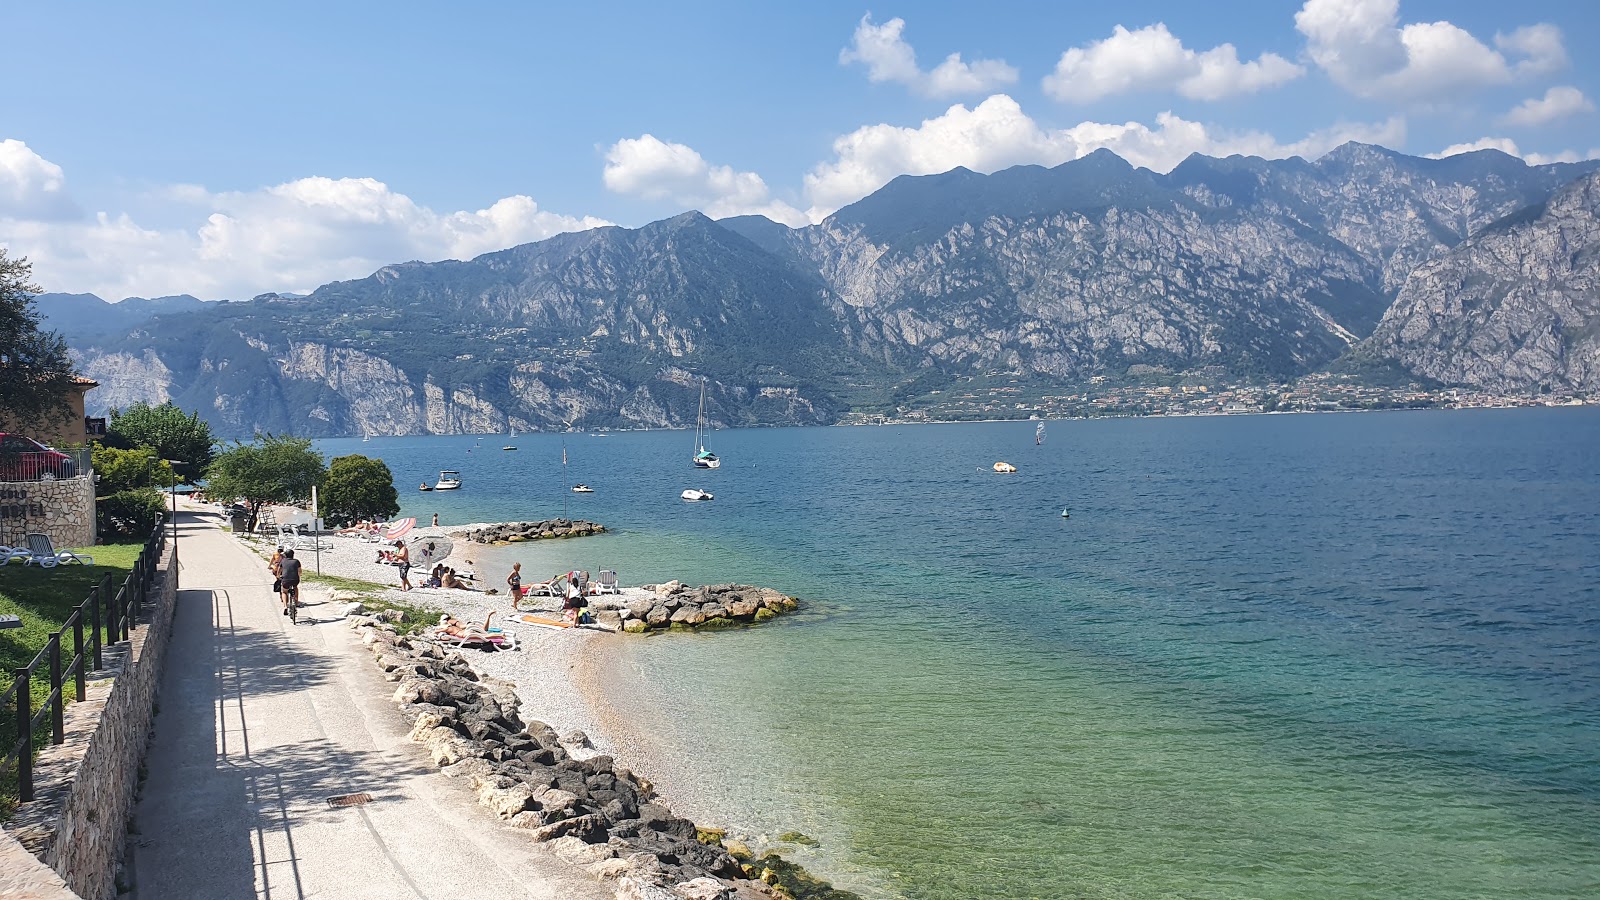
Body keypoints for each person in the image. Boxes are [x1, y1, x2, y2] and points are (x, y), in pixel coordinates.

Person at [278, 548, 302, 615]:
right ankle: (296, 602)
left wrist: (278, 576)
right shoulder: (297, 561)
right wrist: (299, 575)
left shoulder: (283, 561)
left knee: (284, 592)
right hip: (295, 579)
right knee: (295, 588)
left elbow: (279, 570)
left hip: (285, 579)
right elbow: (299, 571)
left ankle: (285, 606)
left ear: (285, 555)